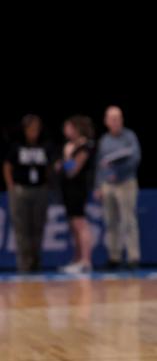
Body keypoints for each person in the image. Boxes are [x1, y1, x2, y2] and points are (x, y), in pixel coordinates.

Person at [3, 115, 54, 272]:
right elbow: (7, 166)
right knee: (22, 229)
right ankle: (24, 264)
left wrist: (46, 184)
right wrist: (11, 187)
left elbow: (49, 167)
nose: (34, 132)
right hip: (21, 190)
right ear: (25, 130)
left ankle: (36, 262)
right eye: (31, 129)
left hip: (39, 190)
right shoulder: (16, 146)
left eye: (37, 129)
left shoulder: (44, 146)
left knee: (38, 228)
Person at [94, 106, 142, 270]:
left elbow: (135, 158)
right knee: (111, 221)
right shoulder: (104, 140)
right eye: (112, 118)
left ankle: (133, 257)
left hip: (126, 183)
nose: (115, 121)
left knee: (128, 220)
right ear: (106, 121)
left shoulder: (129, 137)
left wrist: (118, 172)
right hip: (108, 185)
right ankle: (114, 256)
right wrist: (98, 185)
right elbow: (99, 164)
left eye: (118, 118)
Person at [58, 115, 96, 274]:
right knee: (74, 226)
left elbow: (73, 170)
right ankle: (77, 259)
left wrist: (67, 156)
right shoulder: (72, 145)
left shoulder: (85, 145)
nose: (65, 130)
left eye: (68, 127)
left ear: (76, 128)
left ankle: (86, 261)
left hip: (78, 190)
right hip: (68, 190)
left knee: (80, 224)